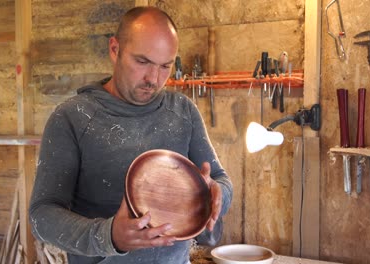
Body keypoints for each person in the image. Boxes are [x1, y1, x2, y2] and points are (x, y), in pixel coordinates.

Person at [29, 6, 233, 264]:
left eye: (165, 66)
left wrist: (217, 195)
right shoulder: (72, 117)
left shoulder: (183, 112)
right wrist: (109, 236)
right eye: (142, 62)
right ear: (115, 50)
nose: (153, 79)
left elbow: (220, 179)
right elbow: (41, 216)